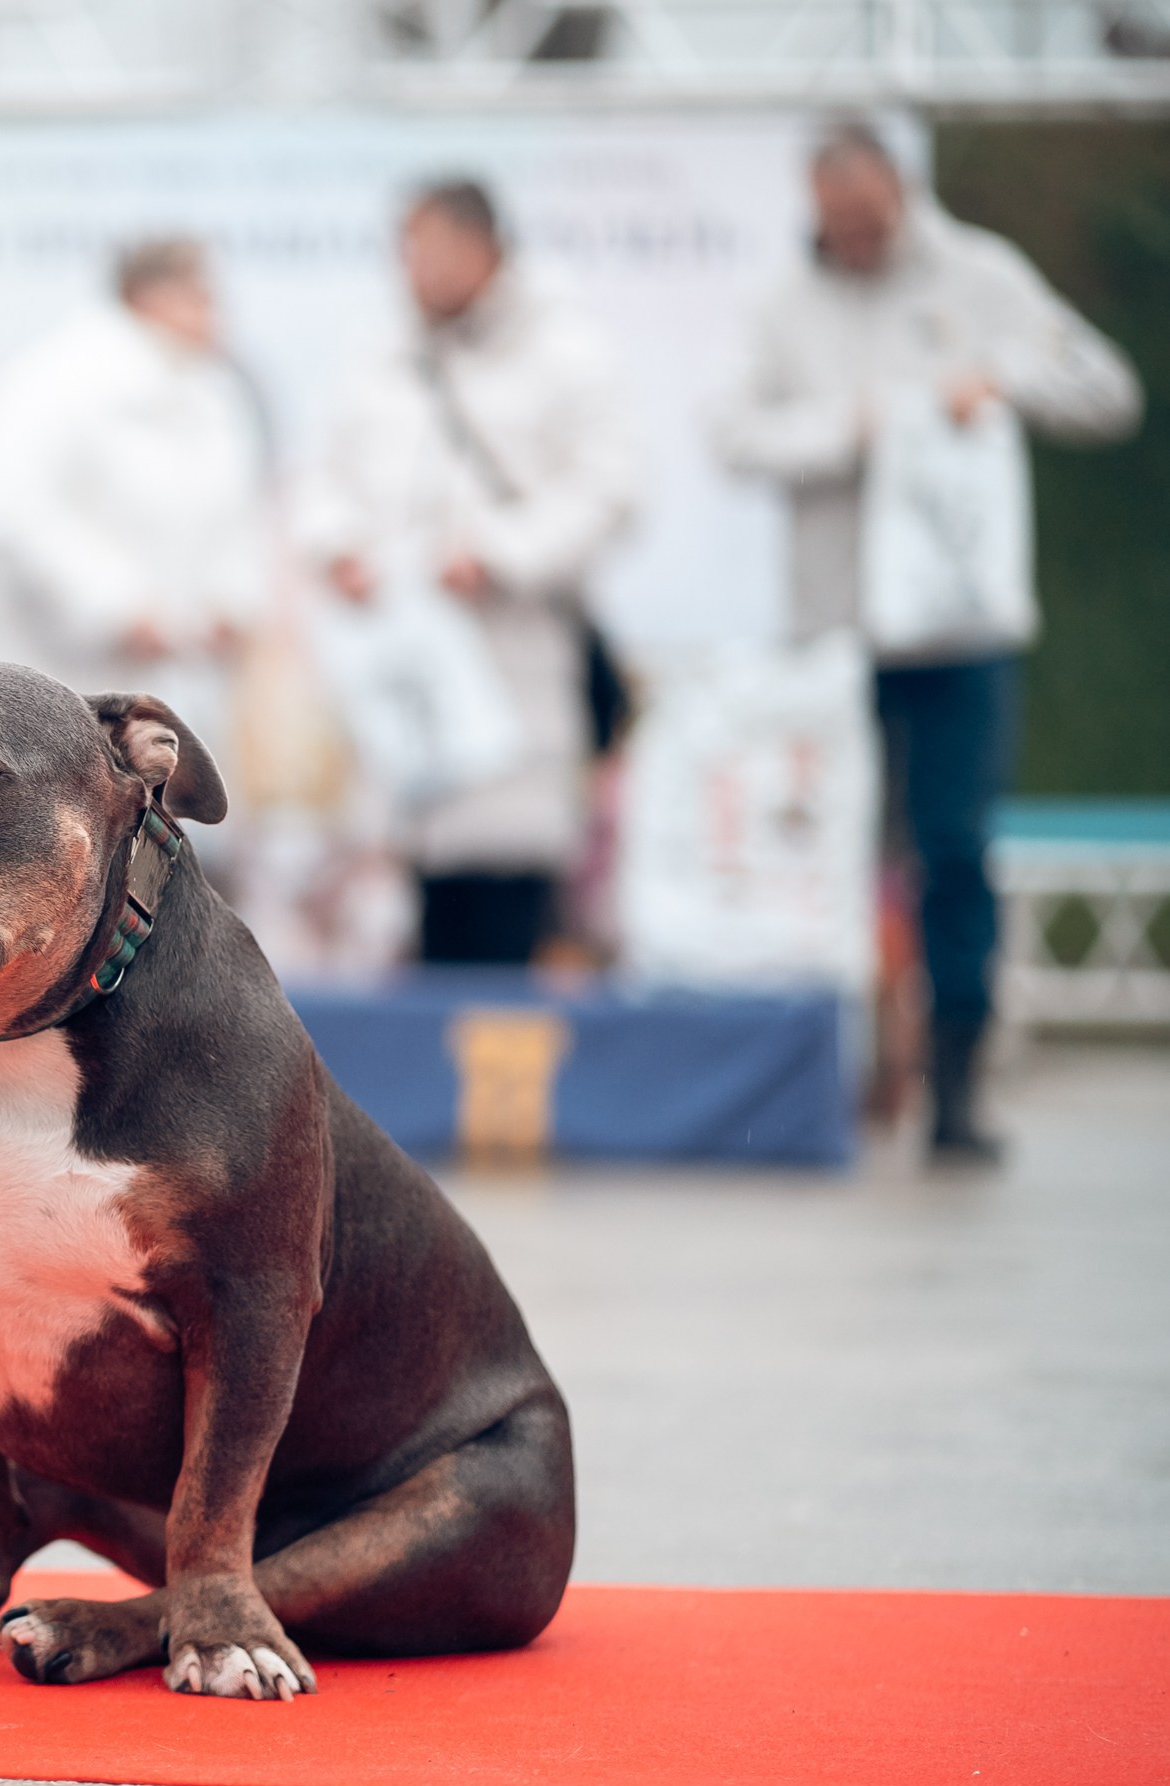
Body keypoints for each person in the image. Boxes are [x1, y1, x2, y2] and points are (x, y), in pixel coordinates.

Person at [713, 124, 1141, 1162]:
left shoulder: (981, 277)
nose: (852, 238)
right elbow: (731, 433)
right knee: (829, 857)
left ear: (900, 193)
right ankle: (839, 1079)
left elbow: (1107, 391)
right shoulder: (781, 305)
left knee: (954, 849)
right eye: (834, 221)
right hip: (837, 633)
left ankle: (953, 1086)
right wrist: (849, 426)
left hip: (956, 631)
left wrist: (996, 383)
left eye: (868, 218)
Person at [298, 180, 636, 966]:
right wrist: (341, 547)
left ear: (487, 249)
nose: (420, 270)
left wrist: (499, 551)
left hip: (511, 653)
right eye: (410, 252)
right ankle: (433, 1072)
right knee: (418, 882)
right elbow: (321, 476)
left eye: (438, 251)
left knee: (511, 884)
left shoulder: (563, 352)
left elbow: (610, 489)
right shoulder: (374, 352)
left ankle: (504, 1069)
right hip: (408, 661)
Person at [0, 239, 273, 819]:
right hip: (70, 670)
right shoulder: (57, 379)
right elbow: (8, 508)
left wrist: (231, 602)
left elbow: (237, 519)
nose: (215, 314)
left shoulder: (216, 397)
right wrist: (116, 606)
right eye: (200, 296)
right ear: (148, 294)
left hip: (181, 671)